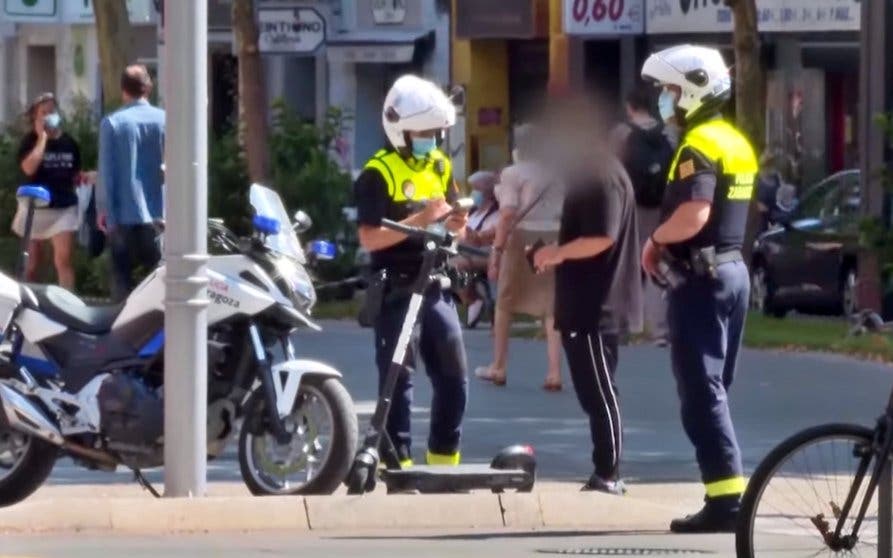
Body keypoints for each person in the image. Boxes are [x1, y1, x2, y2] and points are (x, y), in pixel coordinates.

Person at [640, 45, 758, 533]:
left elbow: (694, 214)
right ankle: (725, 494)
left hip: (702, 280)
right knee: (715, 389)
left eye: (669, 91)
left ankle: (726, 500)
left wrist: (653, 239)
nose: (665, 101)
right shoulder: (734, 139)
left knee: (700, 391)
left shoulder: (698, 146)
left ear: (691, 90)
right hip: (732, 273)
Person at [354, 74, 468, 467]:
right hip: (398, 287)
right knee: (398, 381)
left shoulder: (438, 163)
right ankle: (397, 464)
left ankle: (443, 463)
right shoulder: (377, 172)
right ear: (400, 131)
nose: (433, 140)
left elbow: (453, 217)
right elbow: (369, 238)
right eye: (425, 132)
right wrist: (421, 219)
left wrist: (456, 222)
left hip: (435, 281)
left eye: (437, 132)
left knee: (454, 375)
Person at [533, 107, 642, 495]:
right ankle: (605, 469)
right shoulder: (590, 174)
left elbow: (602, 236)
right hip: (584, 302)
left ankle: (608, 471)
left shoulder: (601, 176)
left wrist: (556, 254)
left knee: (600, 392)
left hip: (598, 305)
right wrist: (553, 251)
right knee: (592, 390)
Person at [476, 123, 564, 391]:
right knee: (551, 308)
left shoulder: (513, 173)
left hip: (520, 240)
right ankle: (554, 372)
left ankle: (499, 367)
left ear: (517, 148)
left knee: (505, 302)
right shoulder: (558, 173)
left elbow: (507, 214)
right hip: (552, 238)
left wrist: (496, 251)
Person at [611, 86, 676, 346]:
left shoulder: (621, 134)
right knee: (656, 266)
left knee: (624, 267)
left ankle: (620, 326)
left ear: (629, 106)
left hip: (629, 208)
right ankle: (660, 330)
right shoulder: (669, 135)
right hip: (661, 209)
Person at [96, 64, 166, 302]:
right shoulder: (165, 120)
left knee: (121, 280)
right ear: (148, 88)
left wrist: (103, 211)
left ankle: (121, 331)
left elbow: (107, 172)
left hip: (122, 213)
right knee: (161, 280)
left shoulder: (112, 123)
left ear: (122, 89)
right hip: (159, 216)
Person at [14, 93, 83, 289]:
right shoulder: (29, 142)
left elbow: (75, 173)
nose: (48, 116)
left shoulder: (69, 143)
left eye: (52, 111)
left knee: (64, 260)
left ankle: (68, 304)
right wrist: (42, 139)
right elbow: (28, 168)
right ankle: (26, 301)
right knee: (32, 264)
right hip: (34, 208)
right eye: (43, 113)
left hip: (63, 207)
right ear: (35, 117)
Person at [452, 170, 499, 326]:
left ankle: (473, 299)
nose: (473, 193)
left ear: (488, 192)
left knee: (455, 265)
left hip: (487, 254)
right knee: (442, 261)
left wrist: (470, 237)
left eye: (476, 189)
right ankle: (468, 301)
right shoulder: (472, 212)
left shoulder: (496, 214)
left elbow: (485, 239)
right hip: (467, 250)